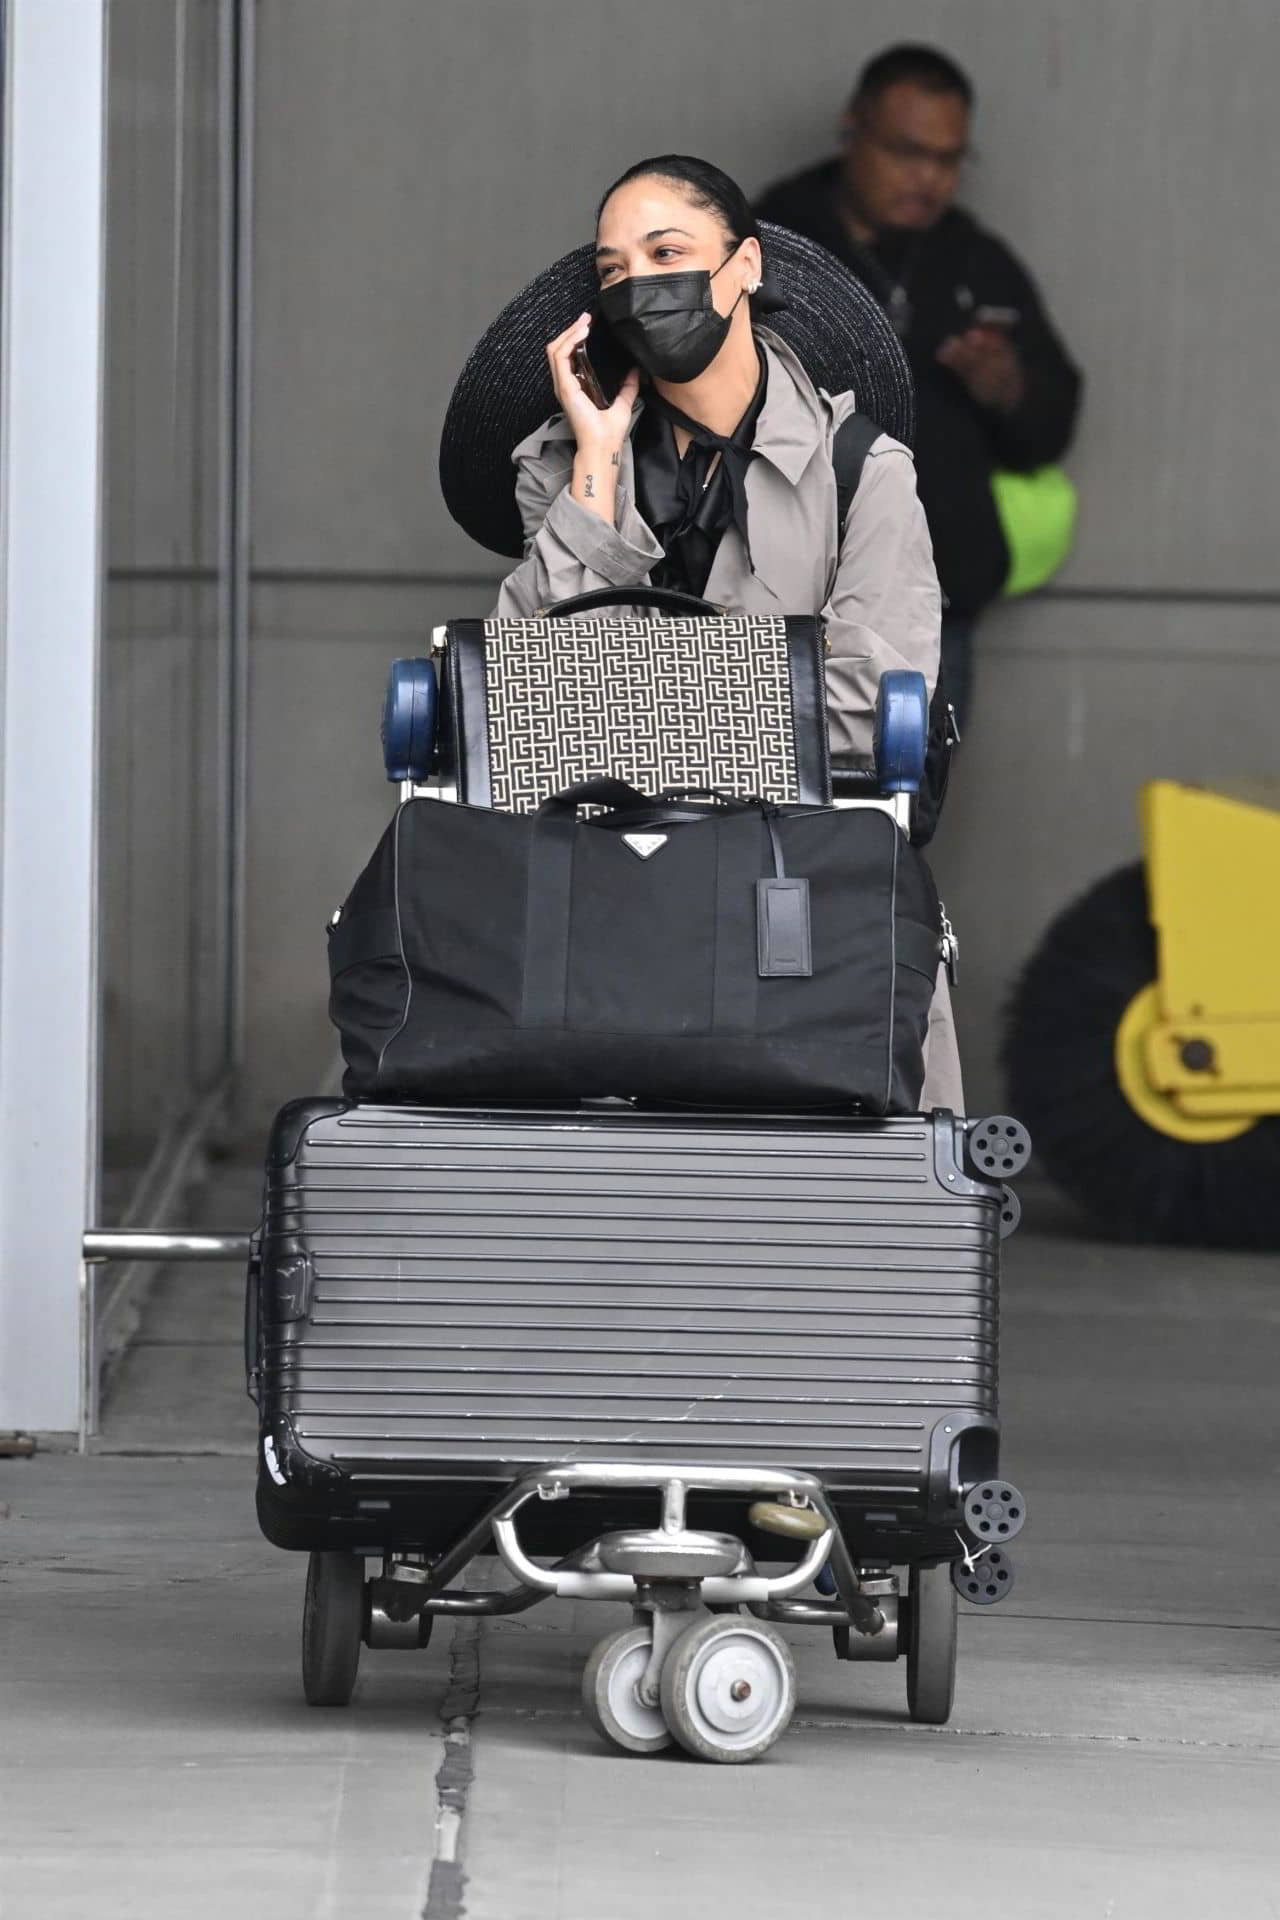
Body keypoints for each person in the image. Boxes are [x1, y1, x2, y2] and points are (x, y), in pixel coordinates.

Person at [478, 153, 960, 1107]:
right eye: (615, 271)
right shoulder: (563, 468)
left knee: (837, 1234)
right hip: (606, 920)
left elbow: (869, 713)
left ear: (743, 268)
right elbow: (520, 701)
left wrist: (625, 698)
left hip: (809, 924)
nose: (640, 286)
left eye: (668, 252)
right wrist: (598, 469)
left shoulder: (865, 470)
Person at [756, 44, 1082, 730]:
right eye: (907, 152)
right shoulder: (768, 247)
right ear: (853, 132)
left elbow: (1050, 430)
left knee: (903, 822)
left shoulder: (977, 261)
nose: (929, 178)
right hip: (783, 605)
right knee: (776, 823)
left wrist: (1007, 389)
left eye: (949, 159)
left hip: (933, 608)